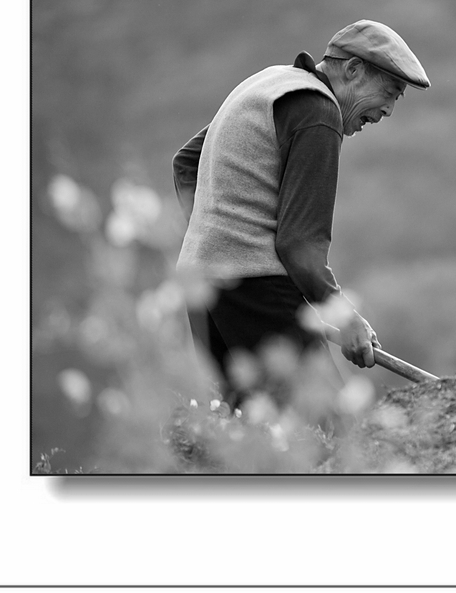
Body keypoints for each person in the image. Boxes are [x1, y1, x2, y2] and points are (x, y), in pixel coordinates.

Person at [173, 20, 430, 406]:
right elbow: (300, 245)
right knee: (325, 432)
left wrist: (213, 243)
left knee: (252, 437)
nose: (389, 110)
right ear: (353, 70)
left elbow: (185, 164)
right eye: (390, 92)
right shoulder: (317, 112)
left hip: (201, 289)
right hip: (254, 284)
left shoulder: (271, 82)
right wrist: (346, 318)